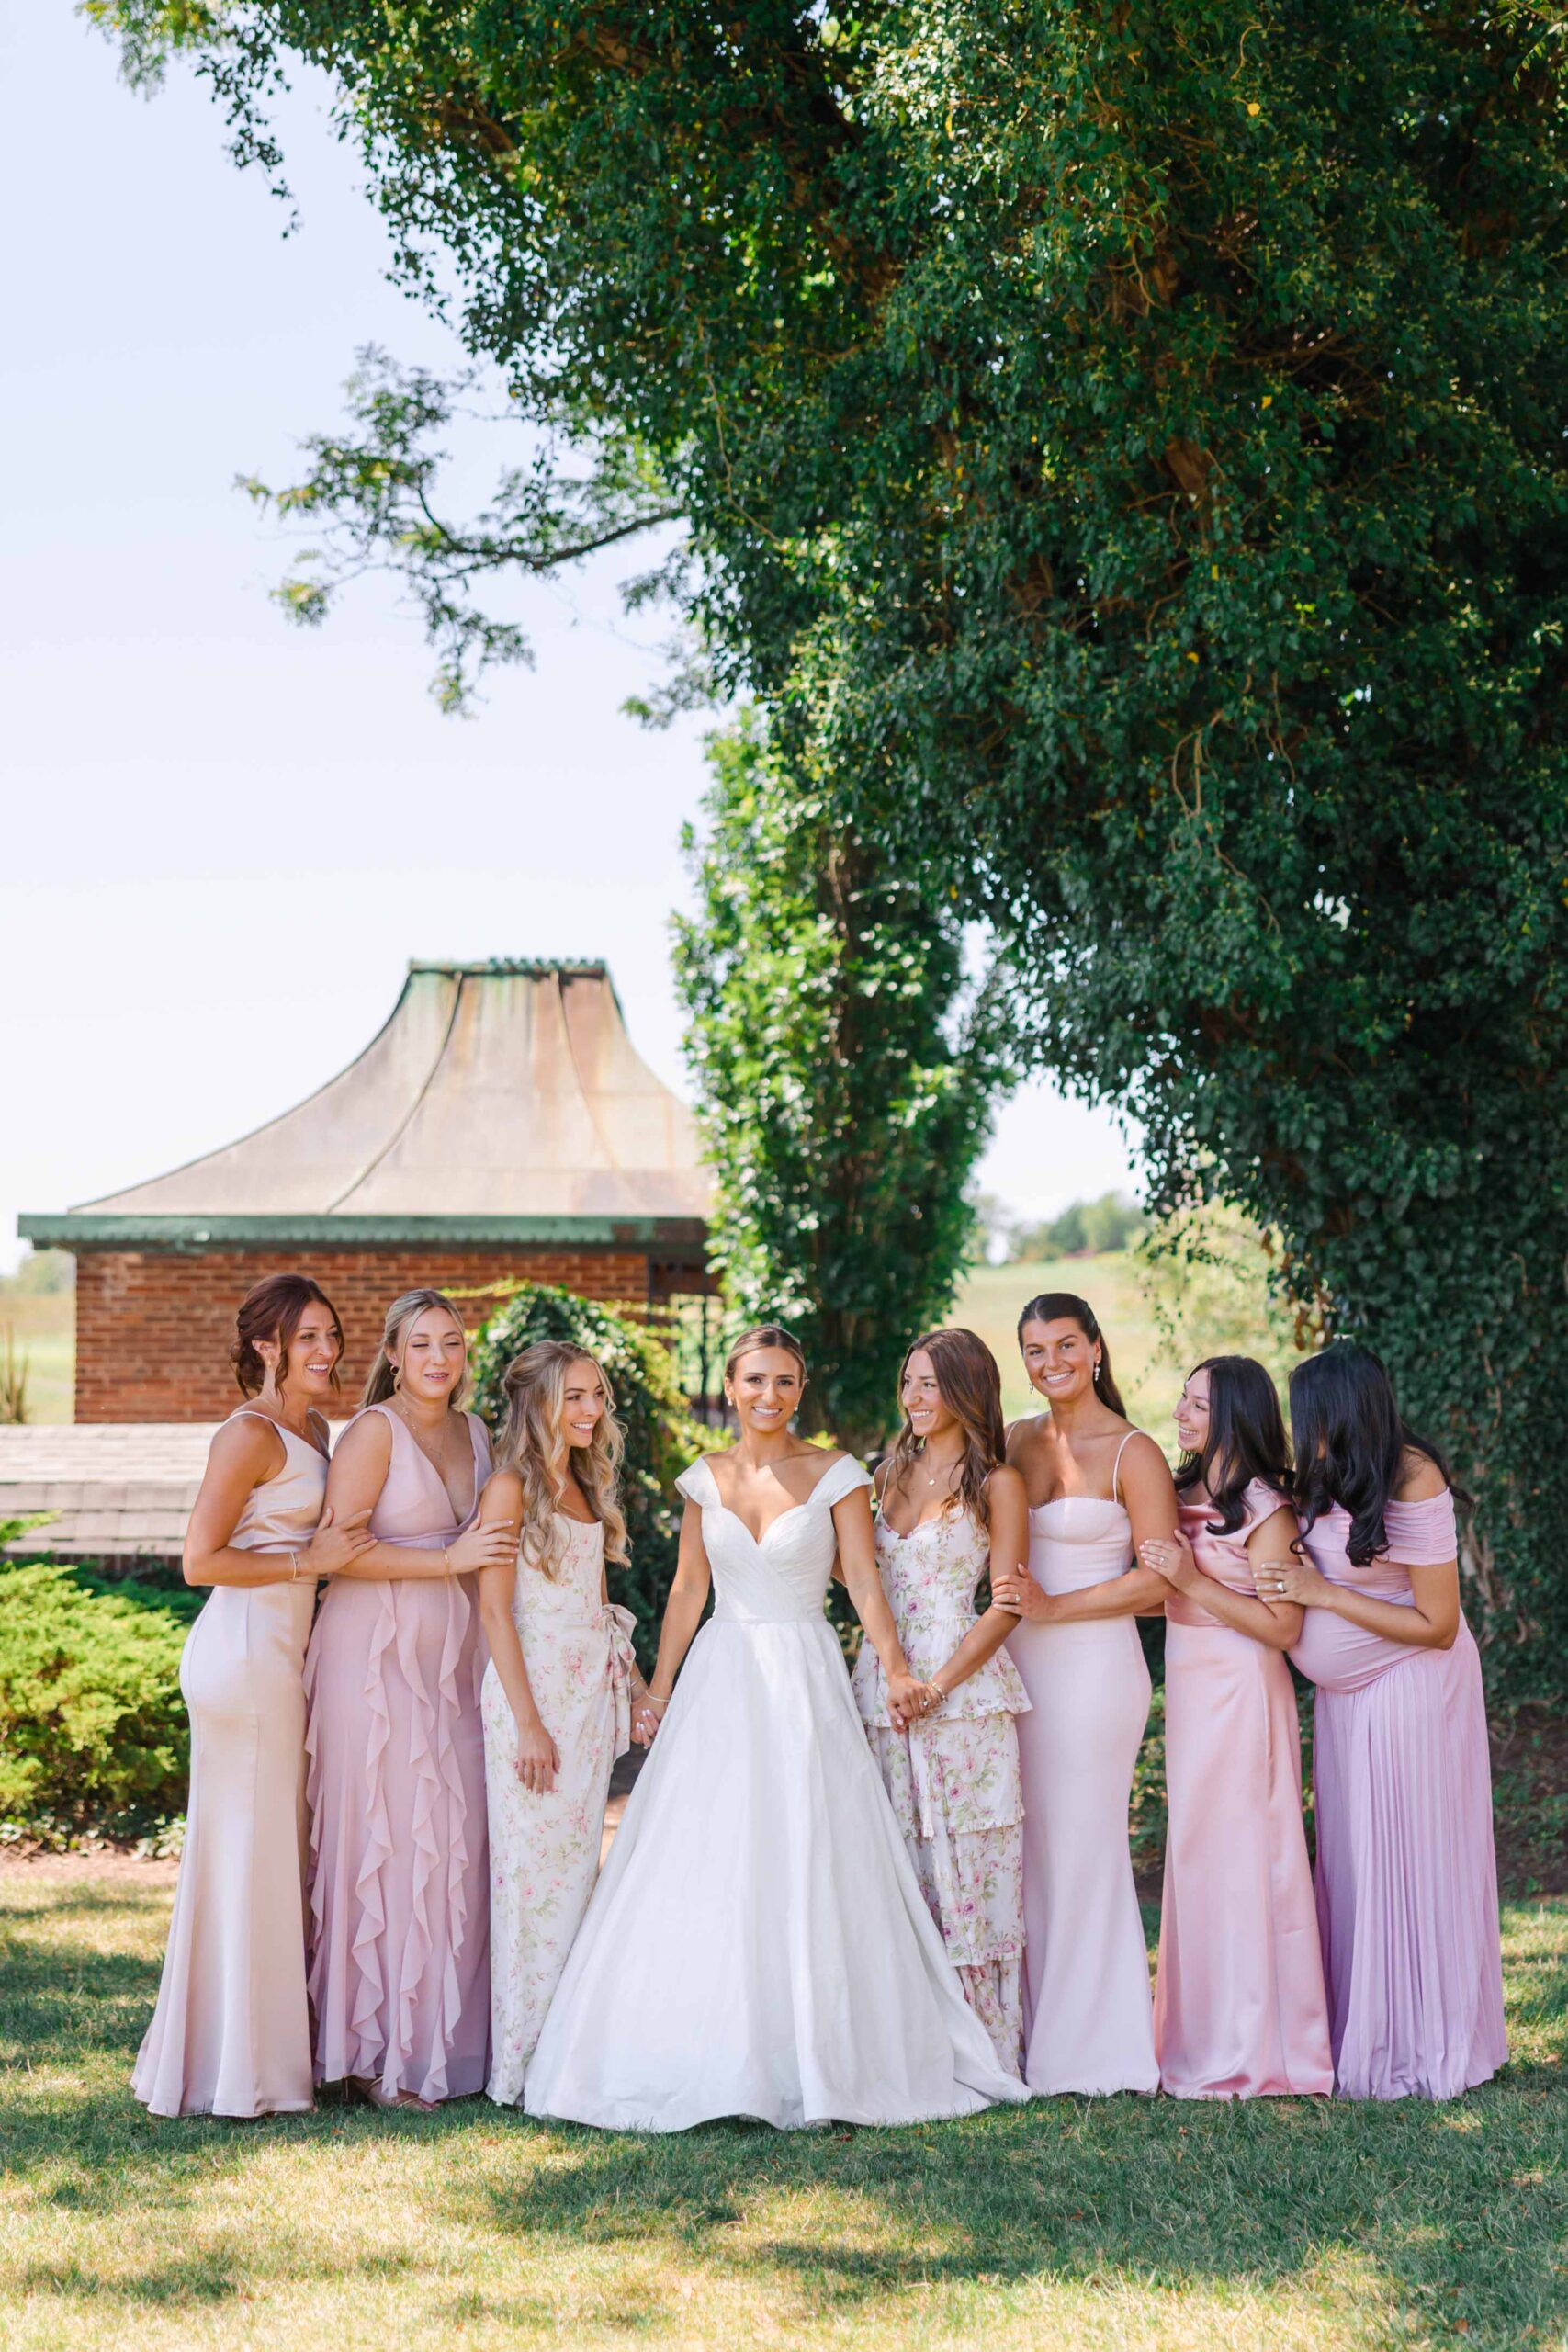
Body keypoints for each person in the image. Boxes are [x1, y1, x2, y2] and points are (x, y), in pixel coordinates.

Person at [524, 1325, 1027, 2131]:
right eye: (755, 1380)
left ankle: (820, 2049)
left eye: (786, 1381)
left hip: (803, 1673)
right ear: (731, 1387)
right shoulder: (703, 1479)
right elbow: (689, 1591)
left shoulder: (837, 1473)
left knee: (810, 1846)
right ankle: (701, 2046)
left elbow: (863, 1582)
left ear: (801, 1388)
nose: (770, 1395)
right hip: (721, 1677)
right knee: (707, 1849)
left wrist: (896, 1668)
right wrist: (655, 1689)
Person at [132, 1274, 373, 2118]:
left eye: (332, 1336)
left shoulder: (315, 1426)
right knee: (251, 1856)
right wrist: (311, 1562)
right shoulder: (248, 1434)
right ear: (267, 1346)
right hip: (242, 1657)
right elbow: (200, 1561)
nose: (326, 1351)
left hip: (283, 1654)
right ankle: (246, 2075)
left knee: (264, 1854)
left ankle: (246, 2056)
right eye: (307, 1337)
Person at [1269, 1342, 1506, 2100]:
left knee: (1411, 1852)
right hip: (1346, 1702)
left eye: (1304, 1414)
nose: (1296, 1428)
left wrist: (1321, 1595)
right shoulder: (1326, 1472)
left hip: (1414, 1686)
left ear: (1340, 1410)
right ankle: (1364, 2028)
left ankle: (1425, 2037)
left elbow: (1438, 1623)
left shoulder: (1412, 1475)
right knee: (1358, 1858)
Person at [304, 1288, 514, 2109]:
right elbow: (337, 1554)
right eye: (421, 1344)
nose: (438, 1358)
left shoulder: (477, 1433)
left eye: (452, 1344)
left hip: (455, 1660)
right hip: (370, 1661)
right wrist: (447, 1563)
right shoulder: (371, 1432)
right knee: (383, 1841)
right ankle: (371, 2057)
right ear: (392, 1354)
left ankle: (448, 2053)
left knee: (453, 1843)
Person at [1136, 1356, 1332, 2098]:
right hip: (1189, 1687)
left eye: (1196, 1405)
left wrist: (1191, 1580)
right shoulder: (1179, 1492)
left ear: (1235, 1418)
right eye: (1182, 1400)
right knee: (1195, 1857)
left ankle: (1257, 2042)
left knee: (1249, 1858)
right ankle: (1194, 2036)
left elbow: (1283, 1628)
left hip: (1243, 1689)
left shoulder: (1265, 1507)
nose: (1180, 1414)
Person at [997, 1293, 1173, 2095]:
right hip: (1017, 1664)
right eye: (1034, 1351)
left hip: (1096, 1666)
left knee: (1082, 1841)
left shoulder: (1133, 1451)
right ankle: (1025, 2032)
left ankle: (1094, 2048)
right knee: (1025, 1843)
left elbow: (1156, 1582)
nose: (1050, 1364)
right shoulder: (1012, 1441)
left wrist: (1056, 1608)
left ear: (1095, 1348)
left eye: (1064, 1345)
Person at [852, 1328, 1031, 2072]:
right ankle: (904, 2039)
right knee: (890, 1850)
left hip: (960, 1689)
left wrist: (938, 1685)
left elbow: (1007, 1602)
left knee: (963, 1857)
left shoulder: (997, 1483)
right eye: (908, 1383)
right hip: (879, 1685)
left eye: (929, 1385)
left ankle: (981, 2043)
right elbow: (859, 1576)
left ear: (963, 1390)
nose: (914, 1399)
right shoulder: (886, 1473)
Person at [475, 1340, 648, 2105]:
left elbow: (599, 1606)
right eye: (575, 1397)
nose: (591, 1411)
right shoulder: (508, 1489)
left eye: (597, 1396)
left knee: (577, 1876)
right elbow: (492, 1609)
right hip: (532, 1697)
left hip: (586, 1701)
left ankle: (572, 2053)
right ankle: (522, 2066)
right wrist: (528, 1725)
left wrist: (639, 1689)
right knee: (531, 1881)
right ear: (537, 1401)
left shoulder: (583, 1481)